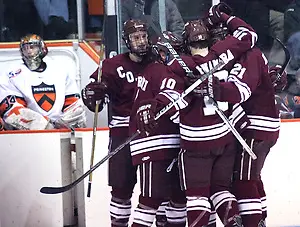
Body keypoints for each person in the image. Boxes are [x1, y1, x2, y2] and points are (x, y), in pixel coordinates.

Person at [135, 3, 259, 226]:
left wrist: (155, 107)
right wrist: (222, 17)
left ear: (185, 43)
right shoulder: (225, 56)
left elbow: (173, 97)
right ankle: (232, 221)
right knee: (221, 190)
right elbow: (249, 36)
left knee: (197, 196)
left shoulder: (181, 67)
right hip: (225, 138)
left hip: (196, 144)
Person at [190, 17, 282, 227]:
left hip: (255, 127)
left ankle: (253, 223)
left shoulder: (248, 54)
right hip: (252, 125)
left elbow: (241, 91)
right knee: (251, 177)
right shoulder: (245, 54)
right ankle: (260, 221)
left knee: (243, 181)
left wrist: (214, 89)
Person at [81, 19, 168, 227]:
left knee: (159, 190)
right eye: (135, 38)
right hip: (122, 133)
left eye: (144, 37)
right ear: (126, 41)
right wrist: (93, 94)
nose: (141, 42)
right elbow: (94, 99)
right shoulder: (111, 66)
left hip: (152, 133)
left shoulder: (157, 63)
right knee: (121, 188)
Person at [129, 32, 187, 227]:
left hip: (161, 143)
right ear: (162, 54)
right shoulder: (162, 71)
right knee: (151, 200)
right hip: (155, 143)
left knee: (177, 199)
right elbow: (174, 109)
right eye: (176, 51)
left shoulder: (152, 70)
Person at [0, 34, 86, 130]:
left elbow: (74, 102)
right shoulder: (12, 74)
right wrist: (42, 124)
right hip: (29, 134)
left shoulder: (60, 70)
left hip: (61, 128)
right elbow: (11, 110)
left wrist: (64, 123)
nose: (29, 51)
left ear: (42, 48)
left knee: (79, 112)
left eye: (33, 47)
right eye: (25, 48)